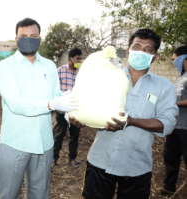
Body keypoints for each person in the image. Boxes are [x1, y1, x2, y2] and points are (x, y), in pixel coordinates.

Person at [71, 29, 178, 199]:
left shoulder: (164, 87)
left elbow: (168, 123)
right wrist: (80, 119)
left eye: (148, 49)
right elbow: (88, 104)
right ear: (129, 50)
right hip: (100, 160)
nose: (141, 52)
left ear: (154, 56)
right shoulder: (108, 77)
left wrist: (131, 121)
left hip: (136, 167)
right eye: (136, 46)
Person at [0, 18, 78, 199]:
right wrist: (51, 104)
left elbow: (56, 96)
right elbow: (15, 103)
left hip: (44, 142)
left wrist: (68, 104)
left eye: (33, 36)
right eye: (23, 36)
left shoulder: (49, 66)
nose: (28, 39)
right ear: (16, 39)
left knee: (40, 194)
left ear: (40, 38)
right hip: (15, 142)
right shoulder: (6, 67)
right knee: (7, 194)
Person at [160, 45, 187, 196]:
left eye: (175, 58)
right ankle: (169, 187)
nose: (174, 61)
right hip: (174, 126)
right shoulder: (181, 76)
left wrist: (173, 103)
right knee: (170, 158)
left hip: (186, 127)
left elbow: (176, 101)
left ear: (184, 58)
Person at [53, 48, 82, 167]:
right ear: (70, 58)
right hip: (62, 109)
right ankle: (53, 159)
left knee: (74, 135)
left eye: (80, 59)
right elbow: (53, 88)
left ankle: (72, 159)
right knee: (59, 134)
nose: (79, 61)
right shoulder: (60, 71)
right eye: (77, 58)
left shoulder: (80, 74)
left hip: (75, 110)